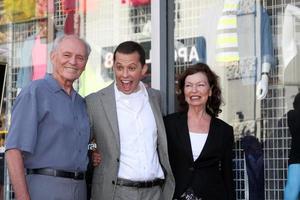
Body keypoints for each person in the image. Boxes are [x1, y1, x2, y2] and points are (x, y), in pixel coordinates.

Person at [5, 34, 91, 200]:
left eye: (80, 57)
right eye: (67, 55)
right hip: (44, 189)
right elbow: (13, 151)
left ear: (85, 64)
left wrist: (94, 150)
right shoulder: (35, 92)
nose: (73, 62)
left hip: (80, 189)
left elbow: (87, 144)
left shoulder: (81, 103)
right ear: (53, 57)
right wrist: (23, 197)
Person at [85, 41, 175, 200]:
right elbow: (79, 141)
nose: (124, 75)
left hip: (155, 193)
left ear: (143, 69)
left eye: (131, 68)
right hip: (115, 193)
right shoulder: (95, 102)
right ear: (113, 67)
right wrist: (92, 151)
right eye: (119, 67)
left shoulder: (156, 98)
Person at [164, 63, 235, 200]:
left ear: (210, 91)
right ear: (183, 91)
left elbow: (227, 176)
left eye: (200, 85)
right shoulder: (169, 124)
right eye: (188, 85)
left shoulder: (224, 131)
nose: (194, 90)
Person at [284, 92, 300, 200]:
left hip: (296, 161)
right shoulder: (293, 115)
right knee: (292, 194)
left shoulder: (292, 115)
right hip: (296, 161)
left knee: (292, 194)